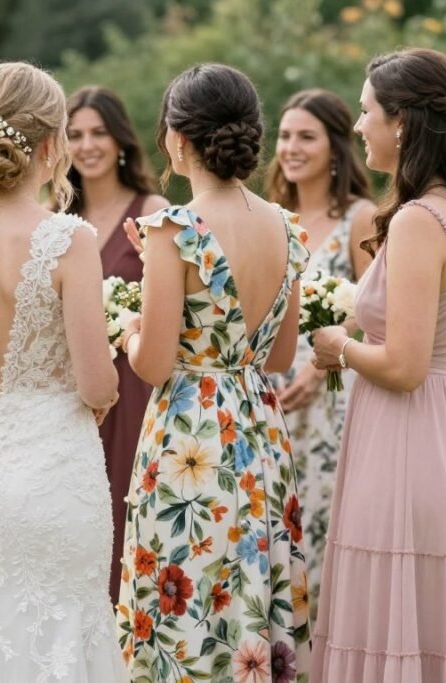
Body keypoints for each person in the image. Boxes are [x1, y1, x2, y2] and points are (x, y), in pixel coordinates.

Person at [0, 61, 126, 682]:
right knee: (57, 631)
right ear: (52, 143)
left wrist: (1, 388)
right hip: (53, 469)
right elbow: (96, 383)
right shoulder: (67, 237)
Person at [310, 48, 446, 682]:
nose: (359, 128)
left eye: (366, 112)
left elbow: (403, 367)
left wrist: (336, 346)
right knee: (438, 622)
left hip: (407, 440)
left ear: (401, 123)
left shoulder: (419, 221)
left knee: (398, 613)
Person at [116, 64, 311, 681]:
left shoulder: (172, 231)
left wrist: (128, 329)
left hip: (190, 434)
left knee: (189, 593)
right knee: (253, 585)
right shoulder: (284, 225)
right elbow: (280, 357)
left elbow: (151, 365)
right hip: (259, 429)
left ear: (176, 138)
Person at [265, 88, 376, 619]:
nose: (291, 147)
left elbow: (375, 304)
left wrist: (316, 366)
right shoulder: (266, 217)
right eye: (285, 136)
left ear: (335, 146)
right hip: (272, 395)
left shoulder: (361, 217)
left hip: (334, 394)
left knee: (328, 521)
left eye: (306, 136)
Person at [65, 86, 168, 603]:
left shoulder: (153, 211)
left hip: (135, 382)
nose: (87, 145)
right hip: (72, 386)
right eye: (75, 134)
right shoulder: (56, 216)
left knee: (128, 507)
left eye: (98, 133)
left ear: (121, 140)